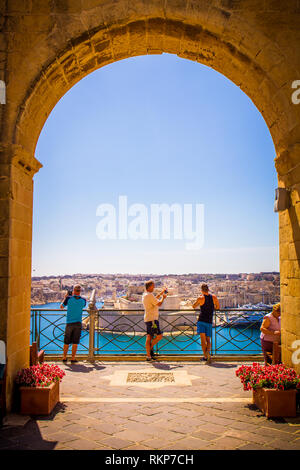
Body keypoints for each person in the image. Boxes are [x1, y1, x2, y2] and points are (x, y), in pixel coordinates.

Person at [193, 284, 219, 363]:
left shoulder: (200, 298)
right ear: (208, 289)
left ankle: (205, 357)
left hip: (201, 321)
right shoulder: (214, 297)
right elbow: (217, 307)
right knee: (208, 340)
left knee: (202, 340)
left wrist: (199, 300)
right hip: (209, 321)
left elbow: (194, 306)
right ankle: (208, 355)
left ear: (201, 290)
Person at [60, 284, 86, 363]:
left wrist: (65, 297)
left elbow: (61, 307)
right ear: (80, 291)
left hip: (69, 323)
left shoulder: (68, 299)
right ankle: (73, 358)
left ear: (73, 291)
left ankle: (64, 357)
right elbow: (83, 306)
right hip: (78, 323)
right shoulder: (83, 300)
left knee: (66, 341)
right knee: (75, 342)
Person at [142, 280, 167, 362]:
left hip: (148, 318)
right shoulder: (149, 295)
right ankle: (149, 352)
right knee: (158, 336)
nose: (154, 287)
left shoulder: (145, 295)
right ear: (149, 287)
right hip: (152, 319)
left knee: (149, 336)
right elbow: (159, 304)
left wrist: (161, 293)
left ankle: (149, 354)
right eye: (153, 286)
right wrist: (163, 298)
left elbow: (154, 300)